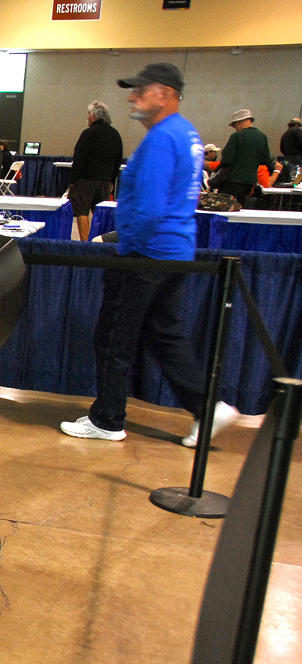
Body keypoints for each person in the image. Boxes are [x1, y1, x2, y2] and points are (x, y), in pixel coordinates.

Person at [60, 62, 238, 446]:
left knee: (113, 336)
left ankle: (107, 419)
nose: (133, 97)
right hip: (174, 251)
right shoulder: (186, 134)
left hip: (146, 255)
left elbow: (151, 207)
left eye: (140, 90)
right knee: (165, 334)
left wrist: (121, 242)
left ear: (164, 93)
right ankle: (208, 408)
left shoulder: (161, 139)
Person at [67, 100, 123, 240]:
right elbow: (118, 160)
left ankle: (85, 243)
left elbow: (79, 158)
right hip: (104, 181)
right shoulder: (115, 134)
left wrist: (73, 181)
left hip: (86, 180)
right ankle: (100, 240)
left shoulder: (88, 133)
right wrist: (111, 181)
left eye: (89, 114)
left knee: (81, 211)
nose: (87, 117)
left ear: (94, 115)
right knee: (99, 212)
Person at [210, 108, 271, 205]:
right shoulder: (262, 136)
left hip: (232, 180)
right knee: (241, 207)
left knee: (224, 207)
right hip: (250, 182)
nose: (235, 128)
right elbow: (265, 160)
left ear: (238, 123)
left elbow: (227, 159)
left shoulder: (236, 136)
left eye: (234, 125)